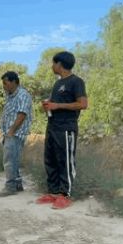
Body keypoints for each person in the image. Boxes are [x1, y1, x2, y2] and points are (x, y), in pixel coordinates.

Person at [36, 51, 88, 210]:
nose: (52, 66)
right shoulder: (57, 84)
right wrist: (49, 105)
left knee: (65, 160)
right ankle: (53, 192)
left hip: (66, 128)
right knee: (50, 159)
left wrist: (57, 106)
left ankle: (65, 195)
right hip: (52, 126)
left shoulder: (76, 81)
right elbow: (55, 104)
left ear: (60, 64)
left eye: (53, 63)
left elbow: (83, 104)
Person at [0, 71, 33, 197]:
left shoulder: (22, 95)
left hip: (15, 133)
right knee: (13, 159)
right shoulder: (10, 95)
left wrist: (11, 132)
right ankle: (17, 185)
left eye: (5, 83)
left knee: (9, 160)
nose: (4, 86)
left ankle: (10, 186)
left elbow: (22, 115)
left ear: (13, 82)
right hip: (8, 133)